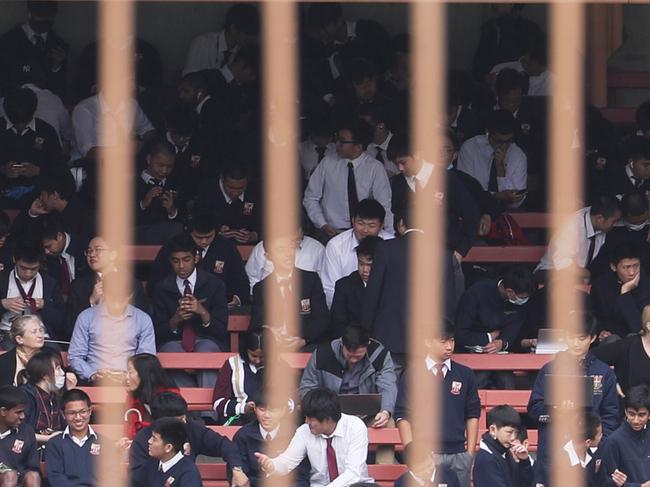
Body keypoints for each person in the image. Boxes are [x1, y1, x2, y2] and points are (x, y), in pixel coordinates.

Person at [527, 314, 619, 487]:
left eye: (582, 338)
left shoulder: (604, 372)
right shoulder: (550, 369)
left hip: (589, 453)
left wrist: (597, 445)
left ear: (592, 338)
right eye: (571, 337)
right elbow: (534, 408)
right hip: (554, 449)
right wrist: (555, 411)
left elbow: (611, 415)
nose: (576, 343)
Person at [361, 207, 457, 372]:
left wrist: (364, 330)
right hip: (427, 339)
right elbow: (447, 301)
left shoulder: (385, 249)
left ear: (401, 225)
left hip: (388, 336)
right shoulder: (443, 253)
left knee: (389, 389)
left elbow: (372, 295)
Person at [394, 320, 480, 487]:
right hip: (426, 455)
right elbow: (403, 416)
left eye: (452, 340)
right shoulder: (412, 375)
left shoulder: (466, 374)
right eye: (443, 341)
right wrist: (414, 454)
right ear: (427, 341)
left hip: (458, 454)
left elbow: (472, 414)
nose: (449, 346)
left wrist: (468, 453)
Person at [299, 325, 397, 464]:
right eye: (349, 355)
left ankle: (384, 474)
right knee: (313, 423)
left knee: (388, 423)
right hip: (330, 416)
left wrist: (385, 411)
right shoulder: (323, 354)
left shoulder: (379, 355)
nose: (353, 360)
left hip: (368, 415)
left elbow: (388, 386)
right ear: (342, 344)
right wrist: (317, 411)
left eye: (358, 356)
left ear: (367, 345)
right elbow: (308, 387)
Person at [254, 388, 374, 486]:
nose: (306, 422)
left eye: (311, 419)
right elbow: (287, 462)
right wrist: (272, 465)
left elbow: (354, 473)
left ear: (327, 419)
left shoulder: (355, 427)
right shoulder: (304, 431)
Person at [152, 234, 227, 388]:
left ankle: (207, 412)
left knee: (206, 351)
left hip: (207, 341)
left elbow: (221, 330)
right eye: (175, 261)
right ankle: (187, 409)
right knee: (169, 353)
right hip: (174, 342)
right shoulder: (161, 288)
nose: (181, 266)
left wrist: (202, 312)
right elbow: (157, 333)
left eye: (186, 260)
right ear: (169, 261)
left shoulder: (215, 284)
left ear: (196, 258)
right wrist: (175, 320)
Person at [130, 392, 248, 487]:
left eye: (185, 417)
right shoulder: (143, 441)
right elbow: (137, 479)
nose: (185, 422)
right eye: (180, 420)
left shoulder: (190, 428)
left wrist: (237, 469)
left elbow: (225, 445)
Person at [303, 119, 393, 238]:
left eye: (343, 141)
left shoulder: (375, 168)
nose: (337, 144)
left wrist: (389, 236)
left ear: (358, 147)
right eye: (337, 139)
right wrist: (322, 224)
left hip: (365, 234)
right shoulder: (327, 163)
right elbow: (310, 197)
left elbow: (384, 206)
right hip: (329, 232)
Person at [68, 271, 156, 384]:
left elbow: (146, 358)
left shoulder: (143, 320)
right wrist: (92, 375)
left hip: (130, 382)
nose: (115, 302)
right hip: (94, 381)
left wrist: (129, 376)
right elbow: (75, 356)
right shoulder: (86, 317)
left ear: (130, 295)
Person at [148, 209, 248, 307]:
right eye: (199, 237)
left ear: (216, 232)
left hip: (216, 307)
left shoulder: (227, 248)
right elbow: (156, 282)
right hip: (177, 306)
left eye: (209, 237)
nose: (204, 241)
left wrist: (237, 298)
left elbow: (241, 282)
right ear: (189, 232)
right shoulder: (173, 246)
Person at [454, 266, 535, 388]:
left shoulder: (520, 303)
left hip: (501, 357)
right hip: (472, 355)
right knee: (478, 381)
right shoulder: (477, 292)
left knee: (507, 383)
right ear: (509, 292)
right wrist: (489, 337)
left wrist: (502, 342)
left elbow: (514, 329)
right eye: (522, 298)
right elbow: (460, 334)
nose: (524, 301)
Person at [251, 234, 329, 351]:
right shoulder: (261, 288)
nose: (288, 254)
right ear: (268, 256)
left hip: (306, 343)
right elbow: (258, 324)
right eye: (281, 250)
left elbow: (321, 319)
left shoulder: (311, 280)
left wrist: (303, 340)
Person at [65, 236, 149, 339]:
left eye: (98, 250)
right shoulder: (78, 285)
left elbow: (142, 323)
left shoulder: (131, 284)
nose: (92, 254)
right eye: (89, 251)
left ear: (113, 254)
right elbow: (68, 327)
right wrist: (91, 301)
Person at [320, 198, 394, 307]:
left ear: (382, 225)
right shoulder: (335, 246)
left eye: (371, 226)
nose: (365, 230)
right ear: (353, 221)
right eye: (361, 223)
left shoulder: (391, 244)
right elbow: (330, 289)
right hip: (346, 312)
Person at [0, 87, 64, 208]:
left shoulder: (46, 131)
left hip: (38, 194)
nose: (20, 127)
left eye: (24, 123)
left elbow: (60, 169)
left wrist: (38, 171)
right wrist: (3, 169)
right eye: (15, 123)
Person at [535, 195, 622, 280]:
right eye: (614, 221)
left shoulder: (595, 218)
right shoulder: (571, 228)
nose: (615, 225)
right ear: (599, 219)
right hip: (552, 272)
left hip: (581, 272)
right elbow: (563, 264)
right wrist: (587, 275)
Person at [234, 390, 310, 487]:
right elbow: (240, 474)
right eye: (262, 409)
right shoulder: (243, 436)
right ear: (255, 409)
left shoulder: (295, 434)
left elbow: (302, 477)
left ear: (283, 411)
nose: (267, 415)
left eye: (273, 410)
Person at [456, 109, 527, 208]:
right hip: (475, 210)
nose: (503, 146)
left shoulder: (518, 156)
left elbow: (517, 203)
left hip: (506, 213)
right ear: (487, 133)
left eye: (509, 141)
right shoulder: (470, 148)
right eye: (499, 141)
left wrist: (501, 171)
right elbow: (466, 191)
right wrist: (497, 196)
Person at [0, 0, 68, 95]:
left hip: (46, 104)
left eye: (47, 20)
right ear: (29, 14)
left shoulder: (59, 45)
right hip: (13, 103)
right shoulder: (7, 41)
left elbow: (60, 88)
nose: (43, 25)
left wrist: (56, 67)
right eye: (40, 18)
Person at [0, 242, 65, 340]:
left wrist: (45, 306)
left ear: (40, 264)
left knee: (54, 354)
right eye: (23, 268)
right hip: (8, 334)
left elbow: (62, 322)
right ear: (15, 260)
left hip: (41, 337)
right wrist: (2, 304)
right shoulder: (2, 279)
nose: (28, 273)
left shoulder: (50, 283)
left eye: (34, 269)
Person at [70, 90, 155, 161]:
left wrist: (143, 144)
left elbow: (148, 130)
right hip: (88, 166)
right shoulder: (85, 109)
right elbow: (88, 152)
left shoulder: (131, 104)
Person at [591, 243, 650, 341]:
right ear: (613, 267)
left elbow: (638, 329)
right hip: (609, 340)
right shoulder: (601, 286)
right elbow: (593, 315)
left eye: (636, 266)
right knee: (613, 340)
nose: (632, 272)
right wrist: (600, 331)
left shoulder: (647, 286)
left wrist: (625, 293)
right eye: (626, 267)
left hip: (637, 341)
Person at [44, 389, 103, 487]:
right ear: (63, 414)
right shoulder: (54, 444)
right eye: (72, 413)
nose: (78, 417)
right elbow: (56, 477)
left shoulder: (105, 443)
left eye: (83, 411)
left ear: (90, 411)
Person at [14, 169, 94, 240]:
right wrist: (32, 213)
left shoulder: (84, 216)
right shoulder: (49, 214)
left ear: (55, 195)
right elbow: (20, 233)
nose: (40, 198)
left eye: (42, 194)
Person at [593, 305, 650, 403]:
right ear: (649, 326)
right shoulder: (627, 346)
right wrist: (610, 381)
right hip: (630, 413)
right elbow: (590, 359)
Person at [17, 348, 75, 444]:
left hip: (54, 448)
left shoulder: (55, 396)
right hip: (32, 449)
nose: (63, 373)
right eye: (58, 368)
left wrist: (69, 393)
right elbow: (19, 432)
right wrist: (47, 439)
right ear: (45, 375)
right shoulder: (26, 396)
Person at [183, 4, 259, 75]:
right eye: (247, 33)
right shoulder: (202, 44)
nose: (251, 38)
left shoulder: (244, 52)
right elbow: (188, 80)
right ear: (233, 29)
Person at [245, 226, 324, 294]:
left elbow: (324, 282)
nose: (296, 243)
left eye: (299, 239)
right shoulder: (263, 247)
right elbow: (252, 277)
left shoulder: (317, 249)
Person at [598, 384, 650, 487]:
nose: (636, 420)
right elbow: (606, 481)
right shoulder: (613, 441)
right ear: (625, 411)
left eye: (641, 415)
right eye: (631, 414)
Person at [196, 165, 262, 244]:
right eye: (230, 187)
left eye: (241, 188)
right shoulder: (207, 193)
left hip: (249, 246)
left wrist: (254, 235)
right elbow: (199, 221)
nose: (235, 193)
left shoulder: (256, 191)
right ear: (222, 180)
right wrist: (217, 230)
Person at [535, 411, 603, 487]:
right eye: (600, 434)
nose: (602, 436)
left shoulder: (596, 456)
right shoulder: (556, 463)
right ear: (588, 442)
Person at [330, 237, 381, 338]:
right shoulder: (344, 286)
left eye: (370, 265)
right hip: (353, 344)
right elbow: (338, 325)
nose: (365, 270)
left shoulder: (392, 285)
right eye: (361, 264)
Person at [212, 330, 266, 425]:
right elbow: (218, 402)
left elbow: (290, 400)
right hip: (239, 418)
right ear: (245, 350)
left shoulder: (278, 365)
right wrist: (243, 408)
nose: (258, 361)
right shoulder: (232, 364)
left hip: (273, 418)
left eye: (262, 357)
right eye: (253, 356)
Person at [472, 405, 532, 487]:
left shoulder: (504, 452)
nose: (513, 437)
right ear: (493, 430)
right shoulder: (486, 459)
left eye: (516, 432)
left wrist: (524, 461)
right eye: (509, 432)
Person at [124, 353, 178, 440]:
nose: (127, 377)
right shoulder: (132, 396)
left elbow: (172, 431)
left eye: (130, 372)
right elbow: (128, 429)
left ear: (143, 373)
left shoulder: (170, 396)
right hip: (139, 445)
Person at [142, 418, 202, 487]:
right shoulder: (152, 464)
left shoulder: (189, 475)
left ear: (168, 447)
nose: (149, 441)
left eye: (154, 439)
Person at [135, 138, 182, 228]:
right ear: (149, 159)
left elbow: (183, 221)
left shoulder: (174, 185)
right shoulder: (132, 184)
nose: (164, 171)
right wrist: (143, 204)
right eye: (160, 165)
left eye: (169, 167)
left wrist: (172, 211)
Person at [39, 215, 86, 301]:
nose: (46, 251)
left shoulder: (84, 247)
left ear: (59, 236)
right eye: (44, 248)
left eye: (48, 246)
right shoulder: (51, 256)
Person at [0, 385, 40, 487]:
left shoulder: (26, 431)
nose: (23, 416)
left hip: (17, 479)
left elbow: (32, 467)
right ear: (3, 411)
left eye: (23, 411)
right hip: (7, 479)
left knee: (33, 476)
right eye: (18, 412)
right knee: (9, 476)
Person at [0, 316, 46, 386]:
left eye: (41, 330)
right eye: (34, 332)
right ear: (19, 339)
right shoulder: (3, 362)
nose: (40, 335)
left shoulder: (51, 356)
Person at [394, 440, 460, 487]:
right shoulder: (401, 484)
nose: (427, 472)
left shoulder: (450, 476)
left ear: (433, 457)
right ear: (411, 470)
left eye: (429, 465)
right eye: (421, 470)